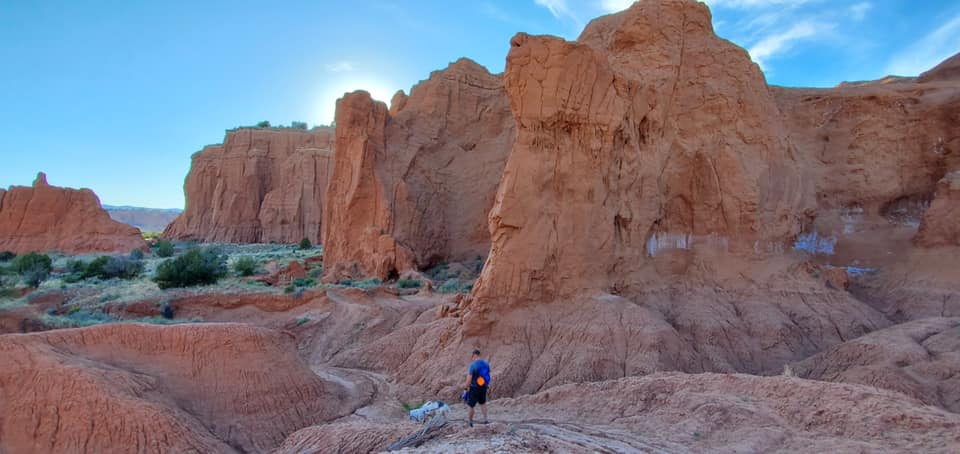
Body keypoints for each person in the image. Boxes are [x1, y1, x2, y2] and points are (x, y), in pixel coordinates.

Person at [464, 349, 490, 427]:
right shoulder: (486, 363)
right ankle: (485, 420)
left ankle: (470, 422)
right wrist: (486, 385)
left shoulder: (473, 365)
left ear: (474, 356)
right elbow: (488, 375)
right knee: (483, 403)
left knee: (471, 405)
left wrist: (466, 388)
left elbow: (469, 378)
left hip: (474, 388)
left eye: (472, 357)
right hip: (483, 387)